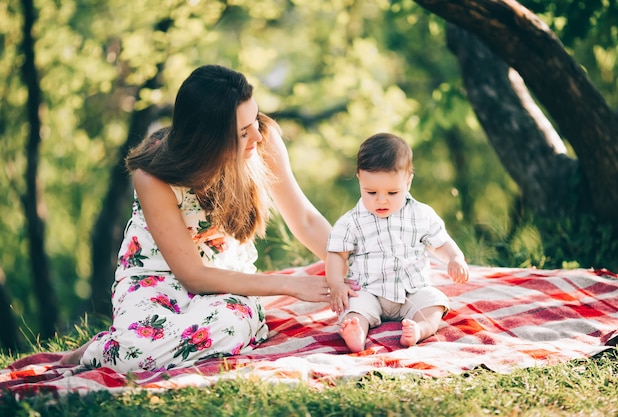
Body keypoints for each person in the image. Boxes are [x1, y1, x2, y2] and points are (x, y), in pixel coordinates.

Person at [61, 64, 336, 372]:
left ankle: (131, 346)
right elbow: (192, 275)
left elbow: (305, 219)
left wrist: (357, 269)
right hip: (155, 281)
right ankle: (108, 350)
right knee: (138, 353)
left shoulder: (262, 140)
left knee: (228, 327)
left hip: (226, 283)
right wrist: (290, 286)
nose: (257, 135)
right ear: (209, 140)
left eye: (254, 119)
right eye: (243, 132)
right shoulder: (153, 174)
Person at [325, 133, 469, 353]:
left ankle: (419, 329)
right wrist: (336, 284)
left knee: (435, 302)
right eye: (371, 192)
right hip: (368, 290)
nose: (381, 200)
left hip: (411, 290)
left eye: (392, 192)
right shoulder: (351, 221)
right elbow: (336, 254)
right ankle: (356, 332)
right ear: (359, 179)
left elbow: (440, 242)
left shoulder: (421, 214)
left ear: (408, 181)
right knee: (354, 308)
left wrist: (455, 257)